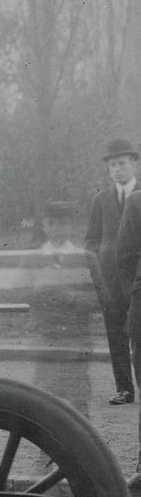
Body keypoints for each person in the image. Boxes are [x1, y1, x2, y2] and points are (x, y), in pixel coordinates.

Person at [95, 140, 140, 405]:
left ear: (134, 163)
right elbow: (91, 240)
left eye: (122, 163)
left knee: (139, 333)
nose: (118, 169)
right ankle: (124, 388)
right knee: (116, 333)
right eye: (113, 165)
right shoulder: (101, 200)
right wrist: (100, 270)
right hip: (112, 281)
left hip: (138, 281)